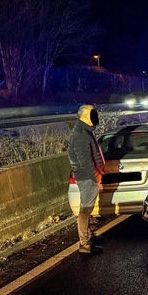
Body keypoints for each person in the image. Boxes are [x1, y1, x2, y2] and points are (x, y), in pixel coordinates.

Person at [68, 104, 106, 255]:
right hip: (87, 178)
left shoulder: (85, 132)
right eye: (92, 114)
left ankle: (88, 237)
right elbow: (85, 162)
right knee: (85, 210)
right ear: (85, 116)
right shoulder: (80, 135)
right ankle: (84, 244)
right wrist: (96, 178)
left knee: (87, 210)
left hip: (89, 177)